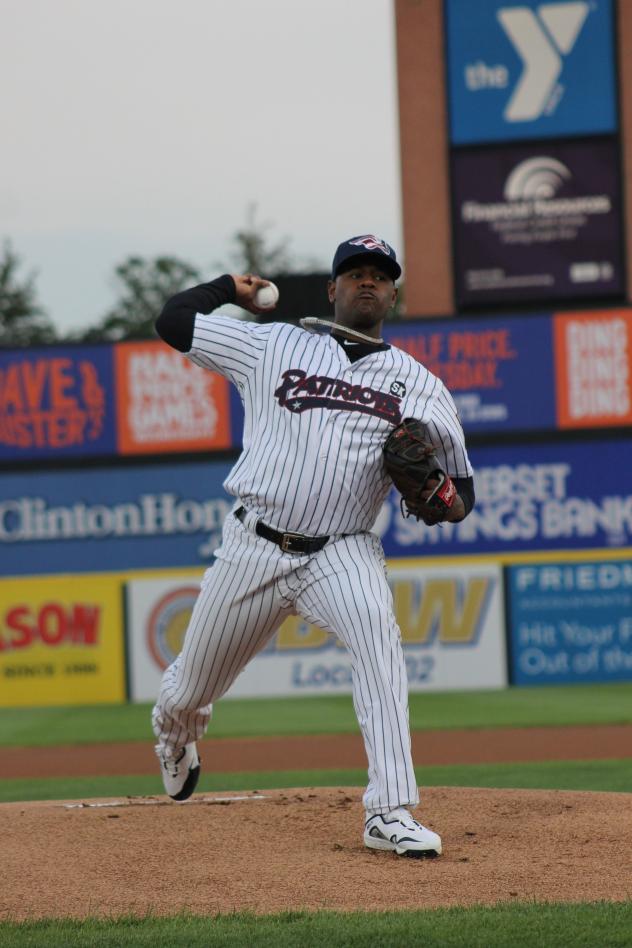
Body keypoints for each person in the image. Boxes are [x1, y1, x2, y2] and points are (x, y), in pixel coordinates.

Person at [152, 234, 475, 857]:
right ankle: (174, 734)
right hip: (254, 545)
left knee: (378, 634)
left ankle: (390, 810)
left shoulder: (420, 385)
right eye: (354, 273)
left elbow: (460, 495)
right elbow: (173, 321)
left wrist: (434, 495)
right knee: (190, 688)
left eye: (379, 275)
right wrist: (229, 289)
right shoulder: (272, 345)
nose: (366, 282)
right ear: (332, 290)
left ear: (392, 293)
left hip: (342, 550)